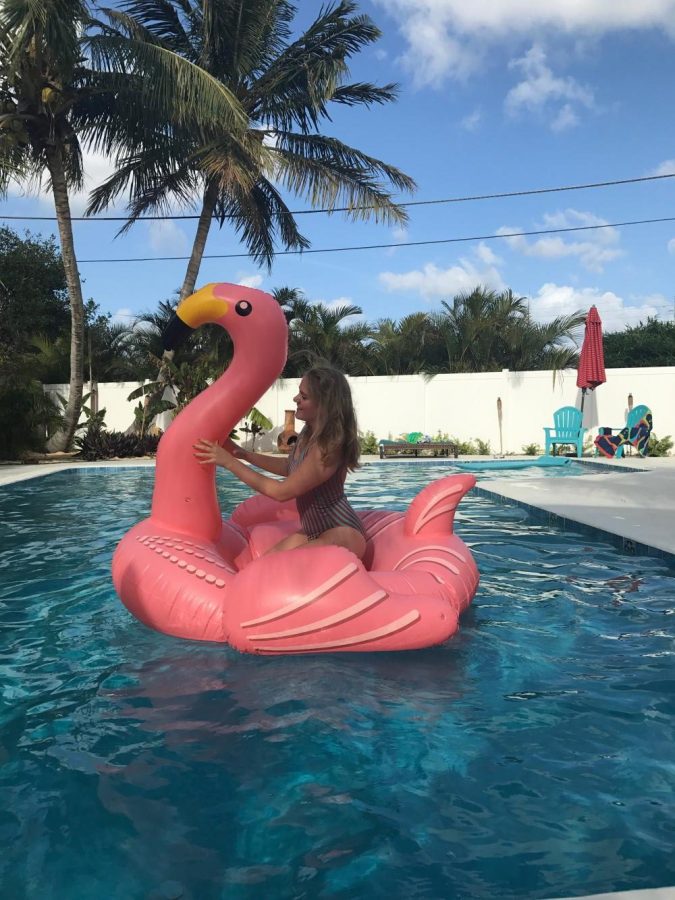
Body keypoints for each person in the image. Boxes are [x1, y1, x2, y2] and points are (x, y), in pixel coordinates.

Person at [193, 365, 367, 558]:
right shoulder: (307, 434)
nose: (296, 399)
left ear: (324, 405)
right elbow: (289, 467)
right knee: (264, 565)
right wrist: (242, 454)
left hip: (341, 534)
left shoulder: (328, 448)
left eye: (304, 396)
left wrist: (229, 463)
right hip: (316, 531)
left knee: (277, 570)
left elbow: (281, 492)